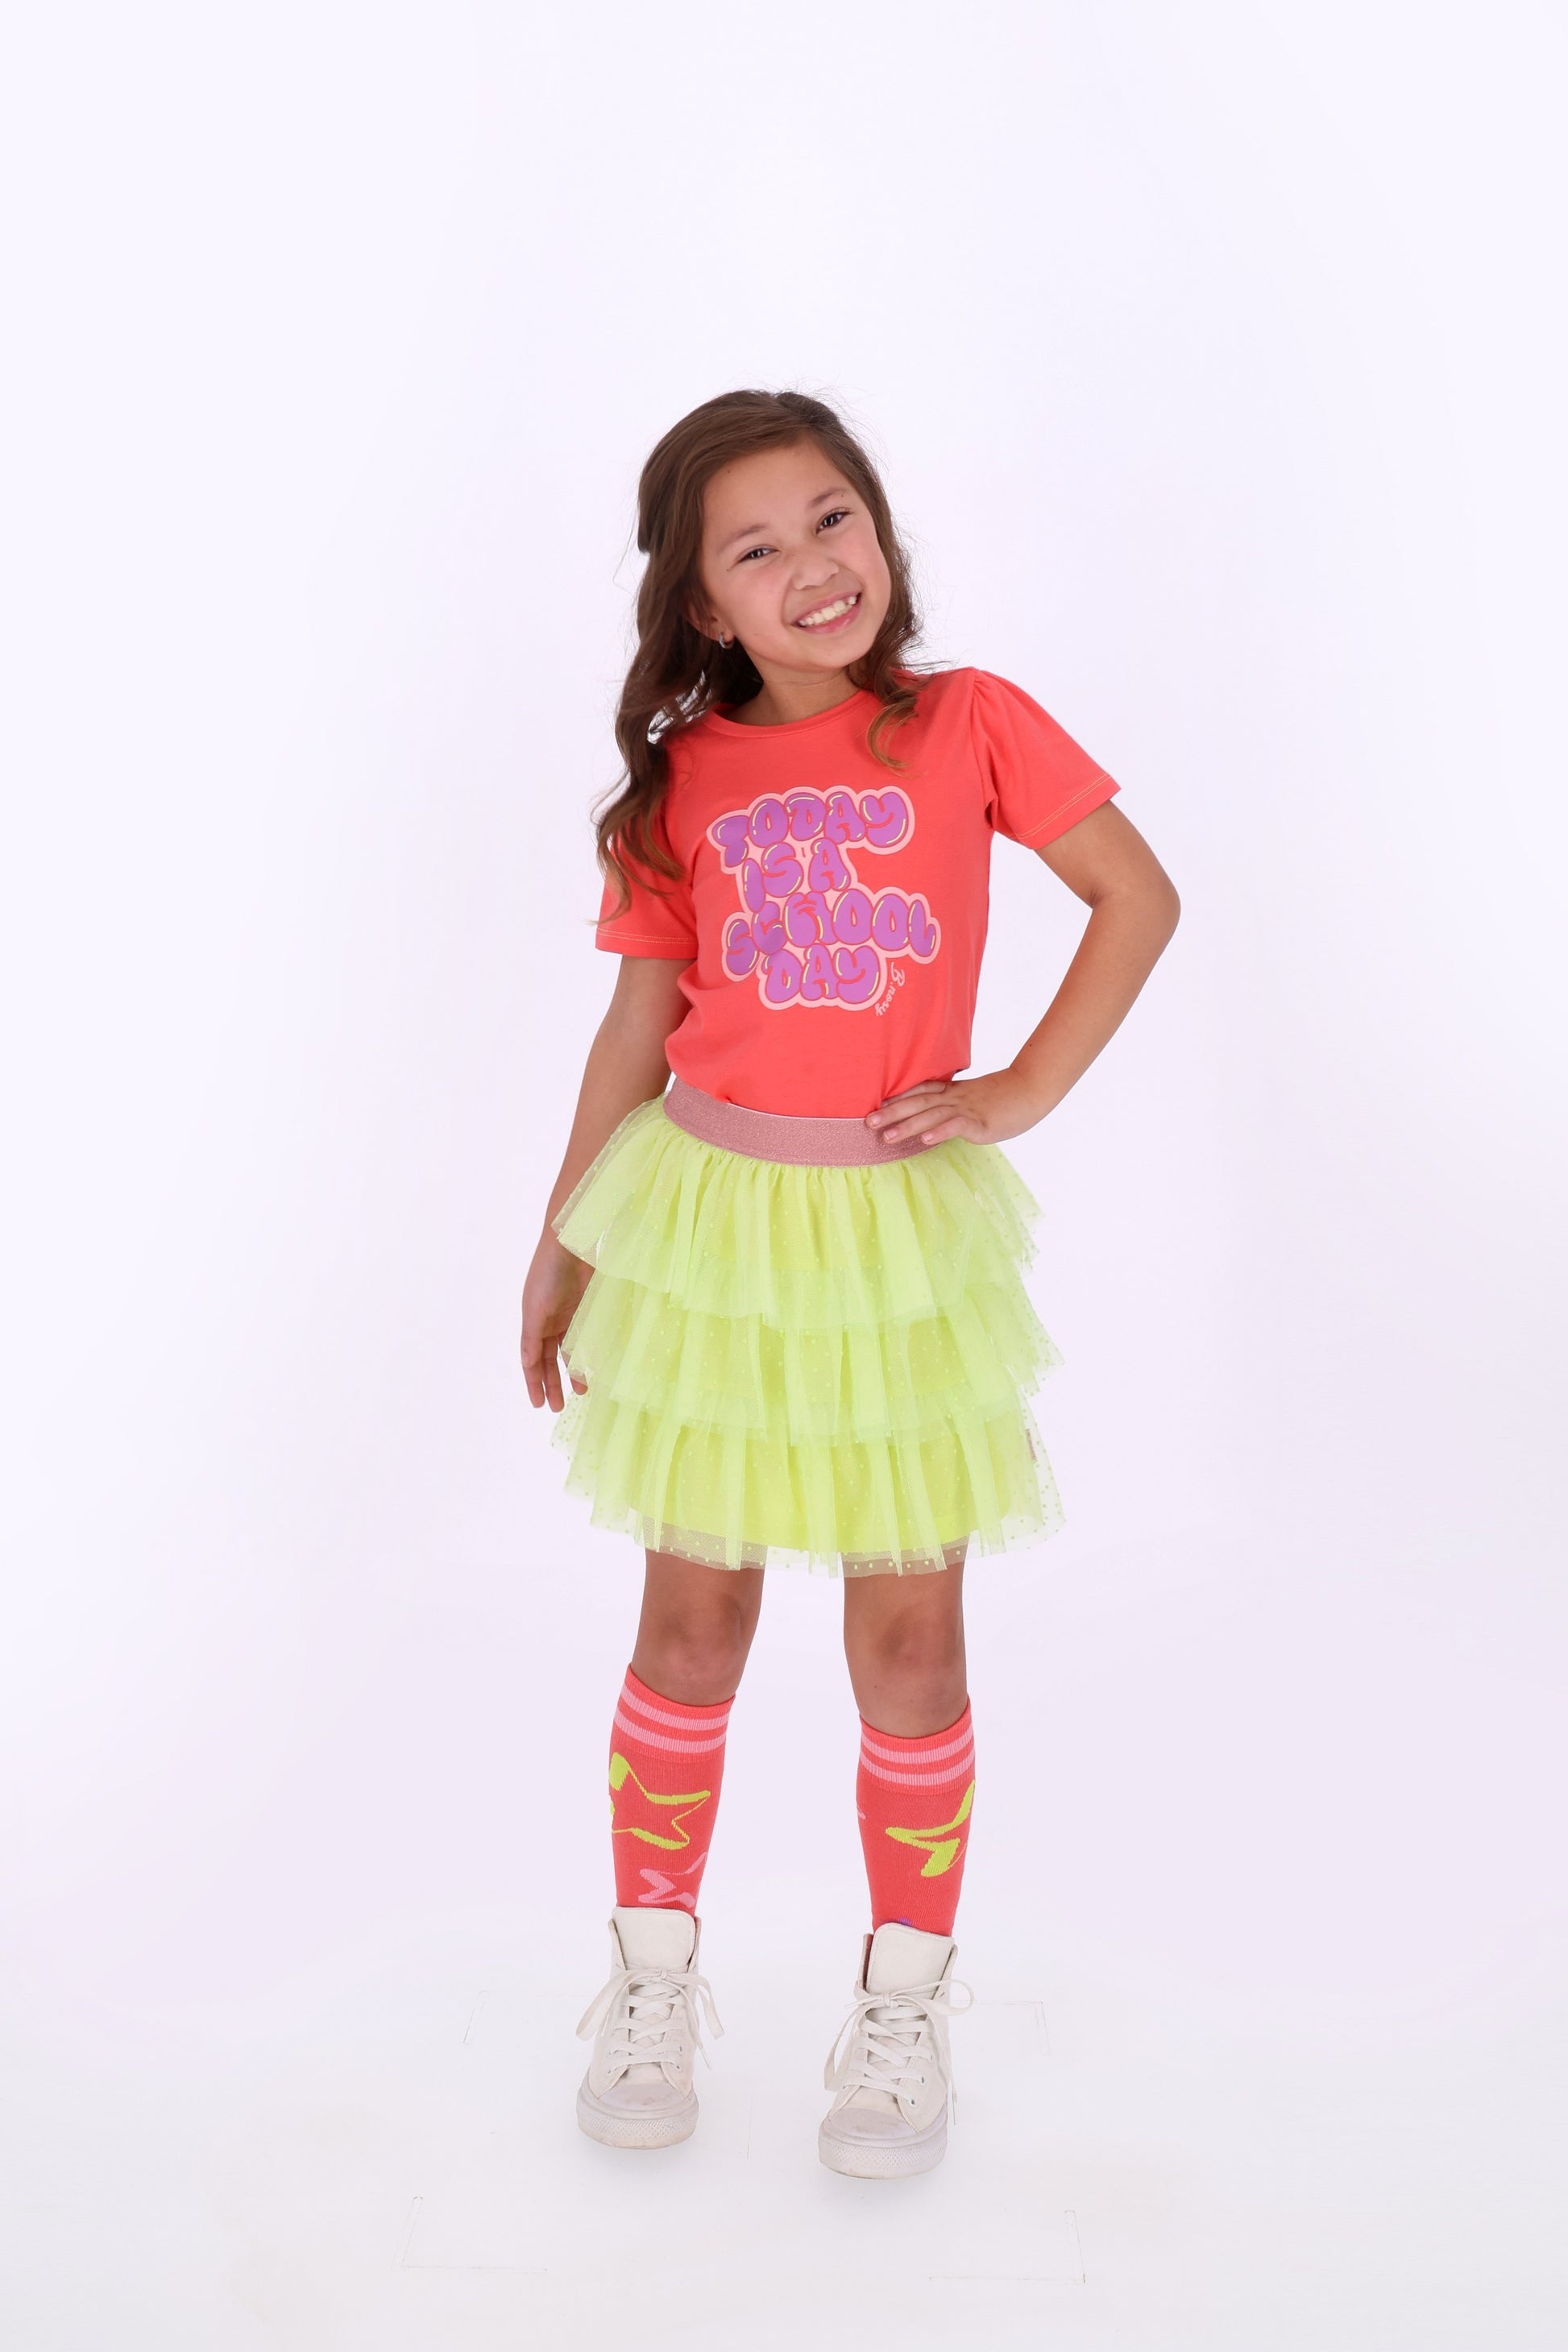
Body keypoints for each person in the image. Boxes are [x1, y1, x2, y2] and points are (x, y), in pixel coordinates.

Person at [520, 389, 1179, 2178]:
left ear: (877, 527)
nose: (813, 564)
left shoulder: (969, 722)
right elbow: (634, 1031)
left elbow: (1133, 895)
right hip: (712, 1236)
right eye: (756, 548)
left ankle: (902, 2005)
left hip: (893, 1243)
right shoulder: (679, 786)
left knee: (906, 1635)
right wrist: (564, 1236)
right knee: (691, 1624)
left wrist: (1020, 1087)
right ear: (700, 604)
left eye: (833, 517)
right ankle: (651, 1977)